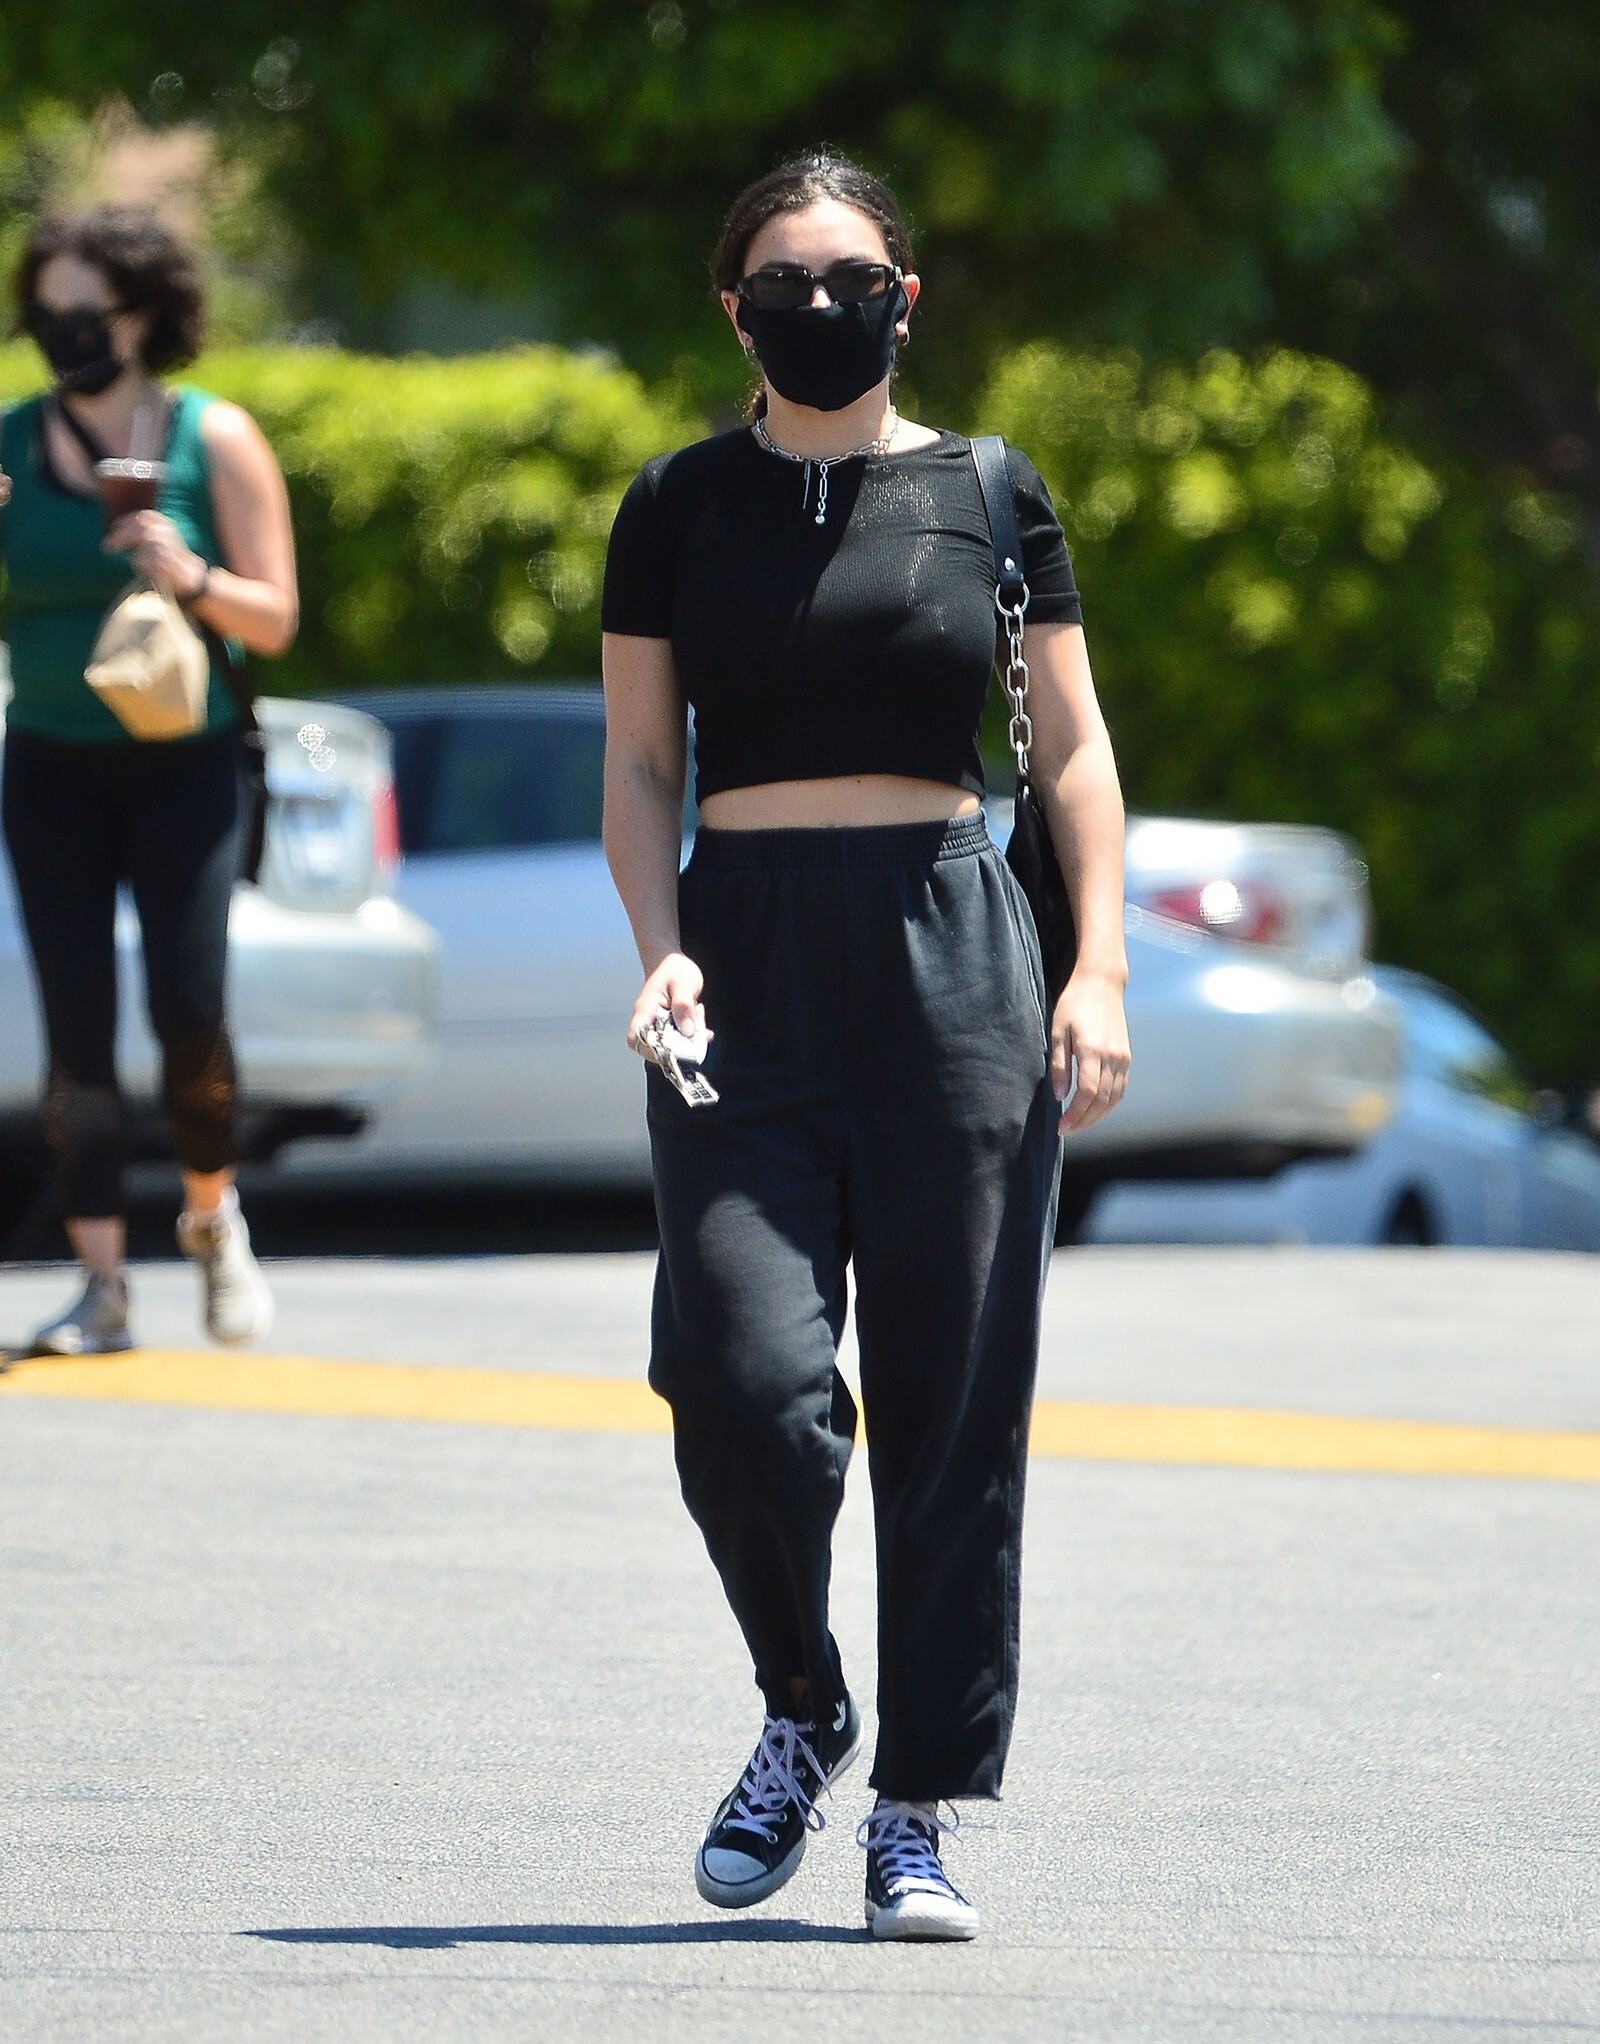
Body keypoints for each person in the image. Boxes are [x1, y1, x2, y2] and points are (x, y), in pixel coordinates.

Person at [601, 152, 1131, 1941]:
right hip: (740, 965)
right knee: (737, 1376)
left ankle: (916, 1807)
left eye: (851, 278)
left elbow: (1070, 750)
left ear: (906, 299)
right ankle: (804, 1700)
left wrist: (1099, 969)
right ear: (732, 308)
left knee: (950, 1397)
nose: (818, 305)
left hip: (951, 955)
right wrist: (662, 952)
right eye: (782, 279)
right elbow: (642, 763)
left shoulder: (990, 490)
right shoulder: (675, 502)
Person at [0, 205, 299, 1354]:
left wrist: (191, 573)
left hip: (186, 763)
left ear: (142, 315)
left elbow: (274, 619)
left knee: (187, 1009)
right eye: (44, 312)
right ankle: (101, 1284)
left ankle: (213, 1219)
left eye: (85, 312)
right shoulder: (11, 444)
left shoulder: (211, 435)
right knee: (76, 1026)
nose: (61, 333)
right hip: (50, 762)